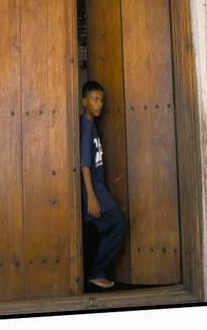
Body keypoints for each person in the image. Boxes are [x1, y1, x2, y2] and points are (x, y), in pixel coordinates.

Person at [80, 80, 127, 290]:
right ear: (84, 101)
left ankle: (93, 272)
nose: (99, 104)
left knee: (107, 228)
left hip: (98, 189)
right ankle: (96, 272)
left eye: (101, 100)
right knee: (118, 223)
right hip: (94, 190)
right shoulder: (85, 127)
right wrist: (90, 196)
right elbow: (84, 165)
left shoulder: (92, 126)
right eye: (95, 99)